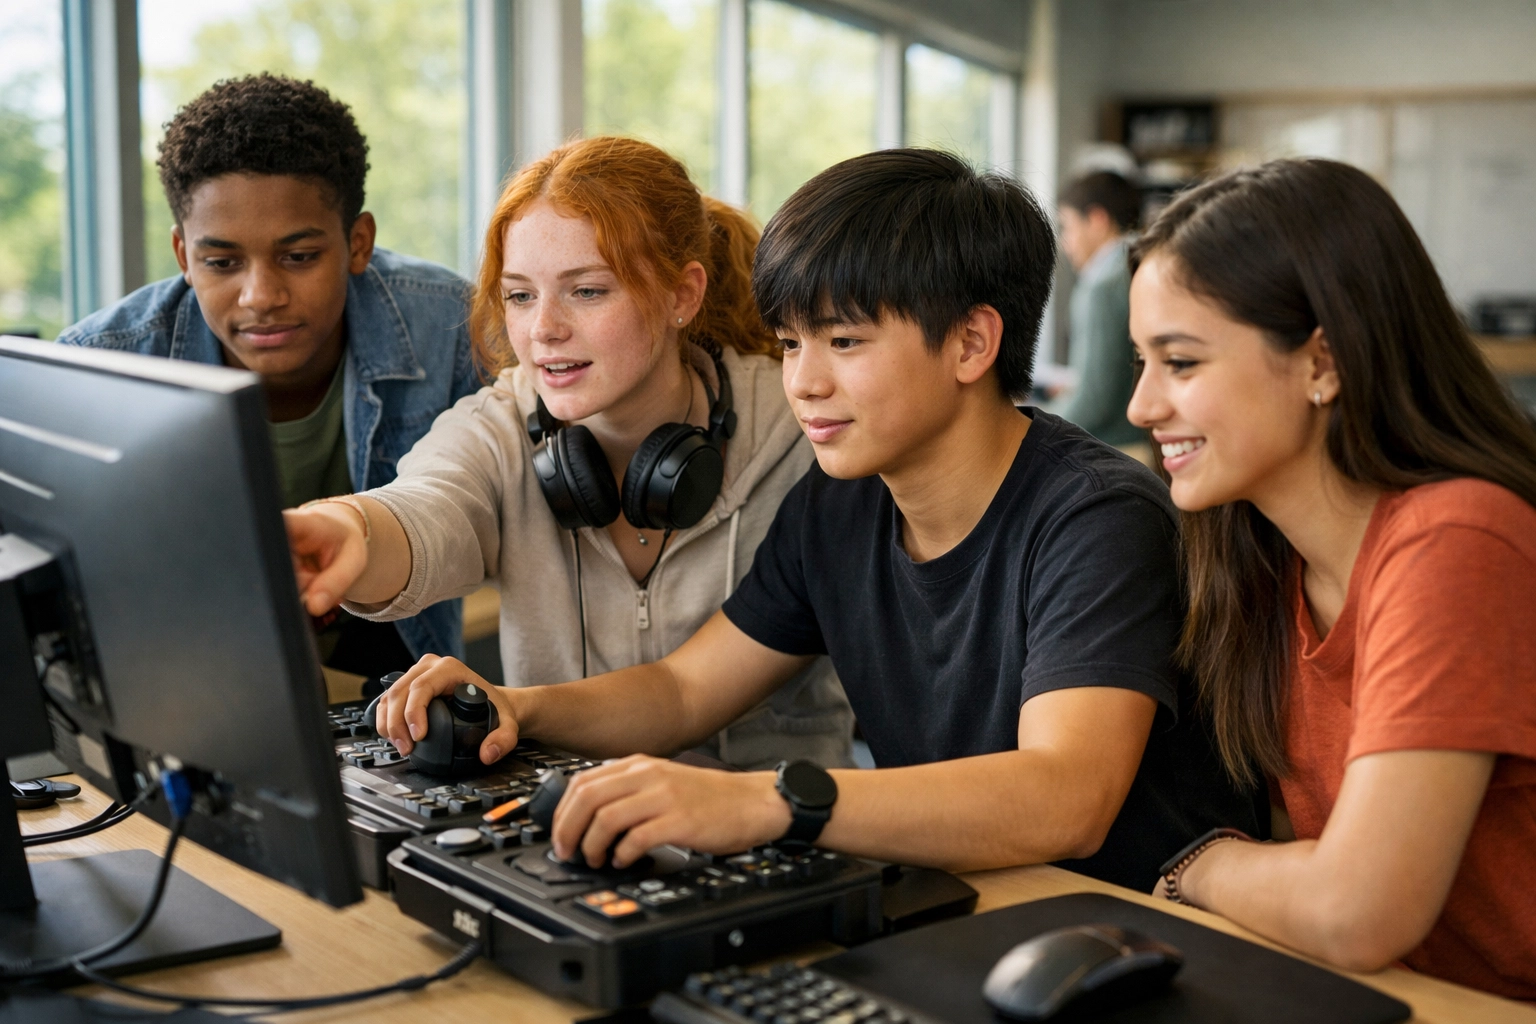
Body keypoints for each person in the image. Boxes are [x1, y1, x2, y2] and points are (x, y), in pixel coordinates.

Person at [360, 148, 1258, 886]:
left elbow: (1064, 796)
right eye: (790, 343)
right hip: (979, 903)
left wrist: (771, 800)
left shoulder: (1096, 514)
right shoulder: (839, 507)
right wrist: (514, 705)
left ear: (973, 343)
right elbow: (683, 691)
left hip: (1135, 926)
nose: (803, 381)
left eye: (844, 341)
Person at [284, 135, 854, 770]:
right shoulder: (501, 424)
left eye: (586, 291)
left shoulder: (803, 426)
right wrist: (349, 528)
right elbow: (427, 504)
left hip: (777, 826)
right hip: (568, 815)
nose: (542, 329)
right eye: (521, 295)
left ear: (682, 296)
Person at [1128, 159, 1536, 999]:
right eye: (1142, 361)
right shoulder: (1263, 559)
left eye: (1180, 362)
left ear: (1324, 362)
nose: (1140, 406)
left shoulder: (1457, 540)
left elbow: (1356, 910)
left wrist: (1204, 864)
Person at [58, 74, 476, 674]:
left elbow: (499, 518)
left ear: (358, 243)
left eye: (299, 256)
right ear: (183, 256)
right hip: (197, 689)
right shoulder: (101, 364)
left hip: (397, 687)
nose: (261, 296)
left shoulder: (451, 327)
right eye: (221, 262)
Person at [1048, 171, 1145, 456]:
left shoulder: (1102, 287)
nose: (1066, 243)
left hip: (1115, 447)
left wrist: (1029, 423)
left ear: (1097, 220)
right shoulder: (1144, 263)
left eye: (1068, 227)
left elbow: (1093, 402)